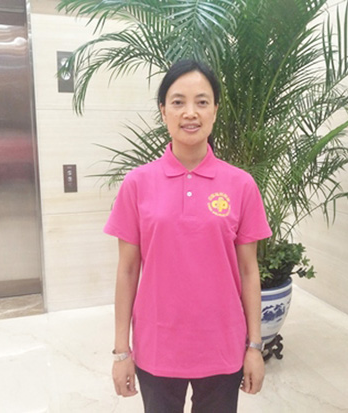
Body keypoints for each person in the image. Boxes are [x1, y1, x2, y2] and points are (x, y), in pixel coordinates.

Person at [104, 59, 272, 413]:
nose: (190, 113)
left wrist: (255, 346)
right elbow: (127, 270)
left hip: (222, 347)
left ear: (215, 110)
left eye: (202, 101)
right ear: (163, 111)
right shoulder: (137, 184)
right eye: (178, 102)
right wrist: (121, 351)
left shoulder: (241, 185)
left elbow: (248, 271)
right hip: (157, 347)